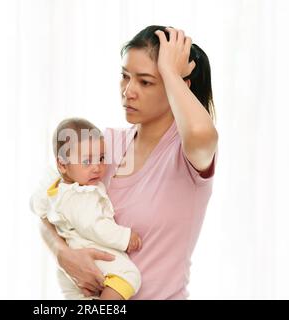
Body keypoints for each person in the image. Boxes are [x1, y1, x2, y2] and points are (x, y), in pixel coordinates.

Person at [36, 25, 218, 299]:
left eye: (145, 82)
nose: (128, 91)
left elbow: (203, 132)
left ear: (178, 85)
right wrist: (63, 254)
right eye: (125, 76)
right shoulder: (102, 144)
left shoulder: (188, 156)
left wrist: (170, 72)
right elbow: (44, 205)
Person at [31, 117, 142, 300]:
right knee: (129, 276)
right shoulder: (80, 195)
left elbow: (40, 208)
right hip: (91, 256)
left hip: (72, 266)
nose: (97, 167)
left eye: (101, 158)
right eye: (87, 162)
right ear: (62, 164)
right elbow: (95, 225)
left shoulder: (59, 188)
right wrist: (125, 237)